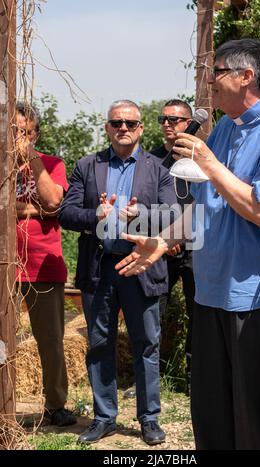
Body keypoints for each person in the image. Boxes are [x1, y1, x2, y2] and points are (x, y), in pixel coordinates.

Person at [115, 39, 260, 450]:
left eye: (215, 72)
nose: (208, 81)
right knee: (211, 416)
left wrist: (209, 163)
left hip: (257, 297)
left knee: (254, 418)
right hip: (211, 293)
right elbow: (203, 209)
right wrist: (161, 241)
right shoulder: (221, 134)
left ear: (246, 76)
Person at [59, 100, 178, 445]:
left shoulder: (159, 169)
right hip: (100, 268)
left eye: (130, 123)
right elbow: (67, 213)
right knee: (99, 344)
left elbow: (173, 216)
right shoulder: (87, 165)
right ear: (108, 128)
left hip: (142, 267)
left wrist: (142, 215)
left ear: (141, 128)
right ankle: (103, 417)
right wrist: (96, 214)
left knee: (146, 344)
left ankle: (149, 418)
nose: (123, 128)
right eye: (116, 122)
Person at [123, 99, 195, 400]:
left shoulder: (202, 159)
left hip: (194, 249)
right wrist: (162, 238)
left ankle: (194, 377)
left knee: (198, 315)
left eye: (175, 119)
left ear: (189, 123)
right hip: (160, 250)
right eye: (163, 119)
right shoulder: (151, 163)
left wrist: (180, 235)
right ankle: (144, 381)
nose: (168, 124)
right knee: (151, 315)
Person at [16, 102, 76, 427]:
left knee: (51, 339)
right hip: (5, 266)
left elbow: (54, 202)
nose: (18, 138)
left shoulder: (52, 164)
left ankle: (55, 405)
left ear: (35, 133)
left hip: (42, 266)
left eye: (25, 132)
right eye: (13, 131)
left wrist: (31, 157)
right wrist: (33, 210)